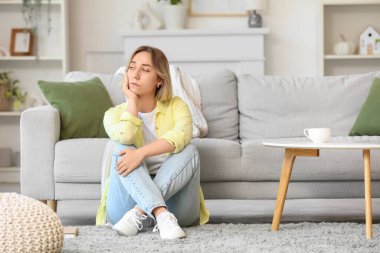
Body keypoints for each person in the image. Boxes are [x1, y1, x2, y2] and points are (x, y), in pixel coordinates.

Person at [98, 45, 208, 240]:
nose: (135, 74)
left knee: (190, 150)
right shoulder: (113, 114)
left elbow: (182, 135)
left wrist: (141, 153)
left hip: (176, 209)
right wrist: (132, 99)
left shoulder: (177, 105)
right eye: (131, 68)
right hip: (124, 209)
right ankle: (160, 215)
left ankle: (143, 212)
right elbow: (126, 136)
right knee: (122, 147)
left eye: (145, 69)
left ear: (159, 80)